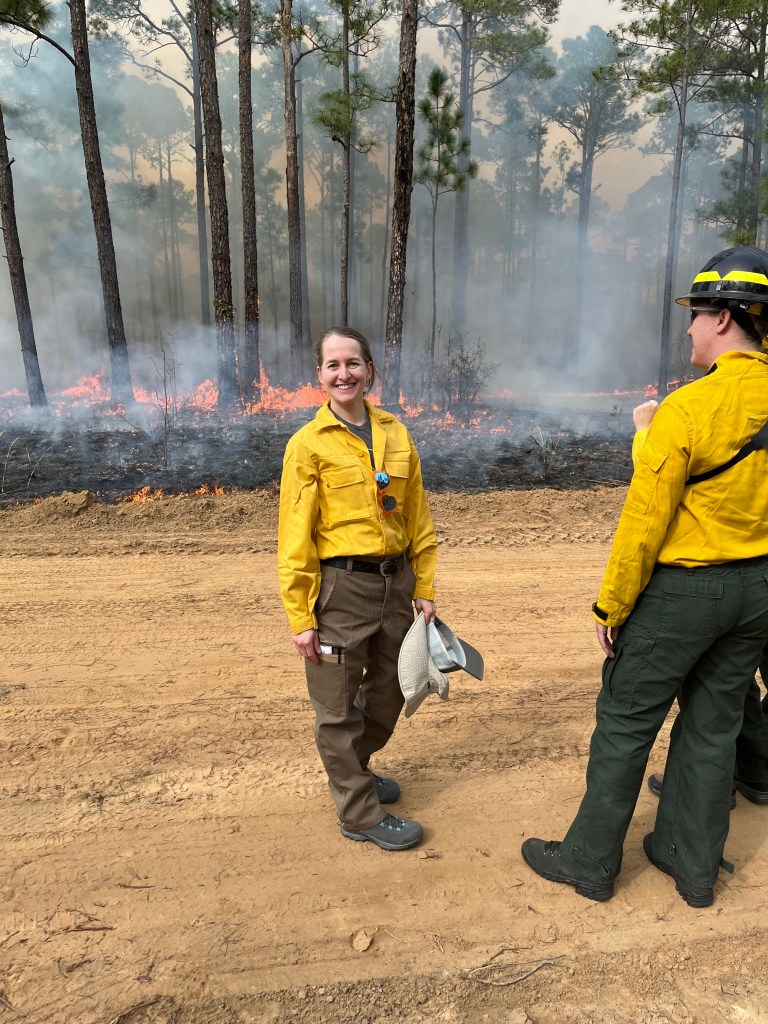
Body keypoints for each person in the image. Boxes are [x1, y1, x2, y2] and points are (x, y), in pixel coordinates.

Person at [521, 245, 768, 907]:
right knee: (714, 726)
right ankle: (691, 865)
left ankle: (589, 862)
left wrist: (612, 607)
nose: (687, 329)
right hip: (756, 592)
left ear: (722, 318)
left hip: (685, 590)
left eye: (695, 316)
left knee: (627, 722)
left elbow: (646, 516)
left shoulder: (689, 408)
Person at [277, 326, 438, 851]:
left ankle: (356, 771)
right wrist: (302, 618)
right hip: (341, 588)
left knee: (394, 687)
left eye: (353, 362)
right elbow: (295, 536)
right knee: (338, 705)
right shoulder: (307, 446)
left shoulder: (397, 432)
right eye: (332, 365)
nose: (343, 373)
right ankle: (358, 813)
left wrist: (425, 585)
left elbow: (418, 516)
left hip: (397, 583)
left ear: (370, 369)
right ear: (319, 377)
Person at [632, 401, 768, 808]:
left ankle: (714, 785)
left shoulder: (727, 397)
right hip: (758, 570)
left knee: (722, 681)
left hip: (734, 568)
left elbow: (663, 485)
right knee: (736, 676)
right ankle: (754, 771)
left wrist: (645, 432)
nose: (689, 330)